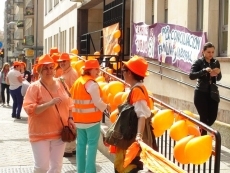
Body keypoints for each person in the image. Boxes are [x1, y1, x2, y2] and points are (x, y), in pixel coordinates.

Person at [23, 54, 76, 173]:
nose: (49, 70)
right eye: (45, 68)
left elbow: (69, 102)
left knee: (56, 166)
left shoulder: (61, 83)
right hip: (40, 133)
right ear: (39, 70)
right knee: (42, 167)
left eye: (51, 67)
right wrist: (49, 104)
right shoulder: (34, 87)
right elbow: (29, 110)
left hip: (60, 131)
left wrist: (70, 118)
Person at [113, 55, 157, 173]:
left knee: (127, 167)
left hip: (131, 136)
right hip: (133, 135)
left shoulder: (137, 90)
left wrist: (138, 135)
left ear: (130, 73)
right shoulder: (139, 88)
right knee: (131, 165)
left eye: (124, 70)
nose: (123, 73)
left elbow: (141, 115)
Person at [70, 59, 110, 173]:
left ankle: (80, 170)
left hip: (79, 120)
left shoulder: (78, 82)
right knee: (92, 146)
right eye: (96, 69)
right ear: (89, 70)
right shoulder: (92, 84)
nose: (98, 71)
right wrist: (106, 107)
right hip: (91, 121)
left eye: (98, 69)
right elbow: (97, 102)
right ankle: (90, 171)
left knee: (81, 146)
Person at [189, 42, 222, 135]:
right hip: (201, 93)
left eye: (212, 52)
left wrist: (218, 73)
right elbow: (191, 75)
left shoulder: (216, 62)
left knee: (212, 117)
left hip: (212, 93)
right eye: (208, 52)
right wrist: (204, 71)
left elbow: (219, 78)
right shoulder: (198, 62)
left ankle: (197, 133)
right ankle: (202, 139)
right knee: (204, 117)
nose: (211, 54)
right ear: (203, 52)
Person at [57, 53, 79, 157]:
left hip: (71, 104)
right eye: (60, 62)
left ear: (69, 61)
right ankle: (72, 148)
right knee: (70, 125)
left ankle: (69, 149)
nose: (62, 63)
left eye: (64, 61)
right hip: (68, 103)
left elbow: (74, 90)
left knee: (69, 125)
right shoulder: (65, 72)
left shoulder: (72, 73)